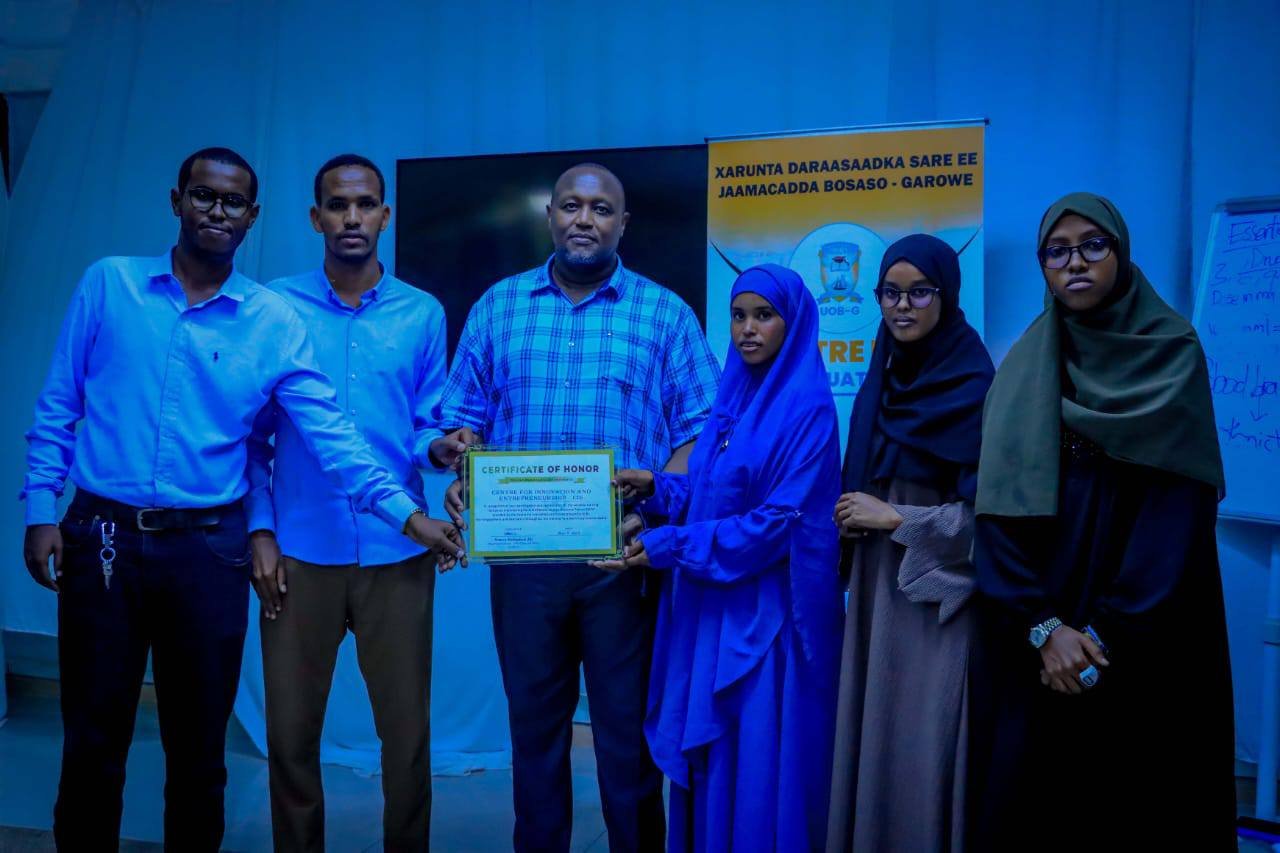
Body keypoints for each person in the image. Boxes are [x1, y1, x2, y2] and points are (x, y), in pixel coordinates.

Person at [20, 147, 461, 852]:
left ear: (253, 217)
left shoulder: (271, 318)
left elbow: (334, 436)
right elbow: (58, 405)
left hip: (211, 547)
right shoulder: (112, 285)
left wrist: (408, 514)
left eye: (232, 202)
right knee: (94, 735)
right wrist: (42, 506)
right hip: (110, 534)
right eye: (203, 195)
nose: (216, 211)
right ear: (177, 201)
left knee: (200, 747)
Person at [435, 163, 721, 852]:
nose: (584, 219)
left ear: (623, 223)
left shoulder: (664, 313)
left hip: (622, 557)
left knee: (627, 738)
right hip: (524, 565)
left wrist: (661, 493)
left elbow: (704, 433)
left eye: (600, 208)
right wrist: (463, 454)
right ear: (551, 216)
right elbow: (459, 417)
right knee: (533, 735)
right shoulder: (498, 306)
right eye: (570, 205)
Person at [967, 192, 1236, 850]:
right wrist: (1043, 627)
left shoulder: (1171, 351)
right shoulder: (1024, 365)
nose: (1075, 262)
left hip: (1147, 628)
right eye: (1057, 251)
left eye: (1093, 245)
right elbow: (995, 509)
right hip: (1037, 625)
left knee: (1137, 798)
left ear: (1120, 251)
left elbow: (1177, 516)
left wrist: (1101, 634)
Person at [246, 154, 465, 852]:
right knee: (289, 734)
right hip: (299, 553)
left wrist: (441, 448)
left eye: (365, 204)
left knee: (406, 736)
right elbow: (252, 436)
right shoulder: (275, 307)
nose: (352, 217)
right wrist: (261, 532)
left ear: (384, 215)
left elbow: (423, 424)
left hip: (398, 552)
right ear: (316, 217)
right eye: (338, 205)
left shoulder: (422, 313)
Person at [596, 264, 844, 851]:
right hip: (712, 606)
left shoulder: (807, 406)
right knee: (714, 764)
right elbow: (718, 489)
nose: (747, 330)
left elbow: (777, 522)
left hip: (764, 623)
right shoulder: (735, 395)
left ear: (793, 323)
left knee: (754, 763)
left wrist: (670, 545)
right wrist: (658, 486)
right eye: (738, 316)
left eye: (764, 316)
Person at [826, 234, 994, 852]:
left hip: (936, 597)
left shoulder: (976, 385)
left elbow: (989, 522)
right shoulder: (883, 379)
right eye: (890, 293)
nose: (902, 307)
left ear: (947, 296)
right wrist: (849, 517)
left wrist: (894, 516)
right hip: (877, 588)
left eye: (920, 292)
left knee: (924, 739)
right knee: (876, 731)